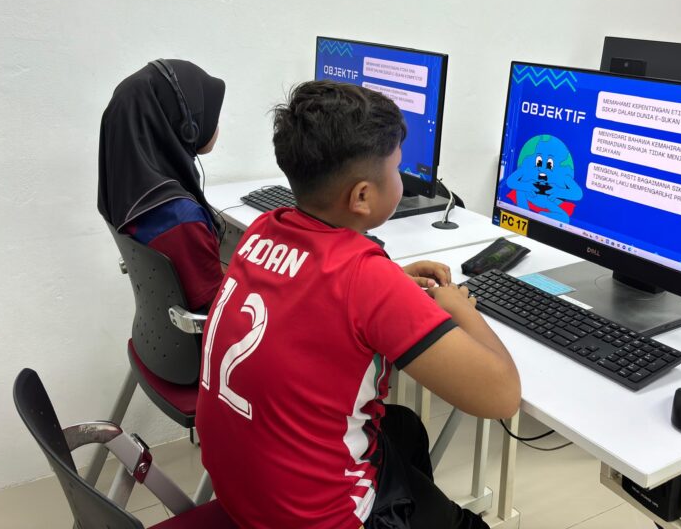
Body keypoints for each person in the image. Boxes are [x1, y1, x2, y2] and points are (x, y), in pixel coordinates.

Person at [195, 80, 521, 529]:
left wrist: (390, 284)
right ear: (362, 196)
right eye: (397, 169)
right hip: (317, 520)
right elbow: (502, 397)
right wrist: (458, 306)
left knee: (403, 430)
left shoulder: (263, 230)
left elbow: (310, 293)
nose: (401, 179)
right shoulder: (366, 281)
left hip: (244, 490)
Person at [98, 59, 226, 311]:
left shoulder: (127, 193)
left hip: (158, 331)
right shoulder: (179, 219)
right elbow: (219, 310)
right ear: (186, 126)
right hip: (206, 331)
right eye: (208, 113)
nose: (215, 123)